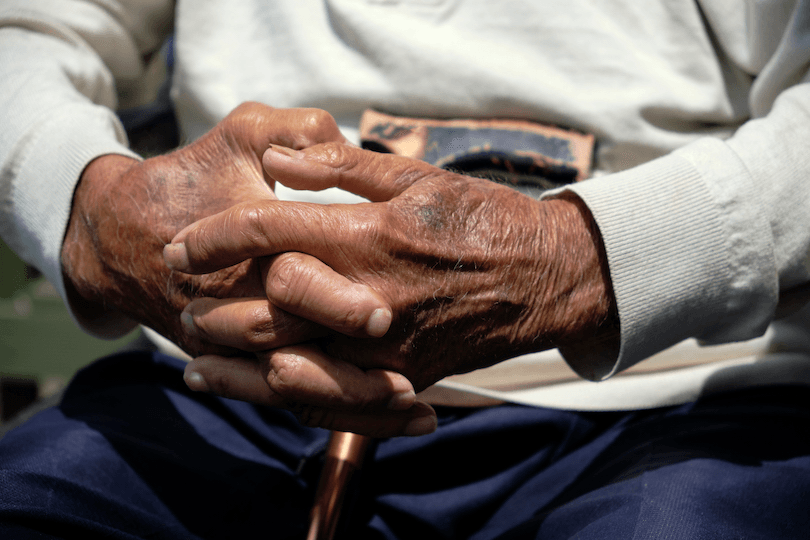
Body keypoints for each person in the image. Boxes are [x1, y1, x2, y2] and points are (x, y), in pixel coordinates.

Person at [1, 0, 810, 538]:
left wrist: (582, 263)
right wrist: (88, 206)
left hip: (672, 393)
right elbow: (30, 30)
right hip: (218, 375)